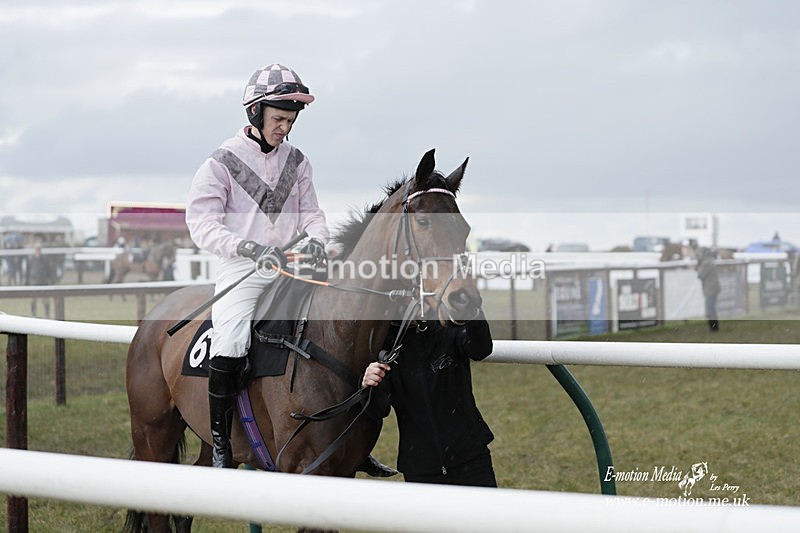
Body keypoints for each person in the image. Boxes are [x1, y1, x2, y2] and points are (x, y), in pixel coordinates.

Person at [186, 63, 329, 468]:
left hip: (294, 264)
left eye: (291, 120)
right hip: (244, 268)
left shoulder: (298, 161)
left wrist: (318, 240)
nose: (285, 127)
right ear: (255, 113)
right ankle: (219, 443)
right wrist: (246, 248)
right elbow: (201, 223)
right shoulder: (221, 163)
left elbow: (312, 213)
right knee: (230, 340)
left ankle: (350, 435)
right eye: (279, 118)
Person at [362, 312, 498, 487]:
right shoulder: (386, 347)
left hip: (471, 458)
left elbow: (481, 349)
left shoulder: (449, 327)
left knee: (484, 515)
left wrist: (473, 309)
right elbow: (378, 410)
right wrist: (369, 385)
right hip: (419, 468)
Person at [25, 243, 54, 317]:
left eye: (39, 249)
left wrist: (50, 280)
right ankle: (33, 314)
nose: (37, 251)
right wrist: (27, 282)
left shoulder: (45, 259)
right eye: (36, 249)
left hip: (43, 282)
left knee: (45, 300)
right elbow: (28, 271)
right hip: (33, 282)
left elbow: (49, 271)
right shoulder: (30, 259)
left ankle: (47, 314)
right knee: (33, 299)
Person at [696, 247, 721, 332]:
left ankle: (713, 328)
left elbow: (700, 275)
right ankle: (714, 327)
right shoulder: (709, 261)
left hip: (711, 289)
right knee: (711, 309)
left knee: (709, 310)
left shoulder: (706, 263)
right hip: (712, 288)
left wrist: (698, 266)